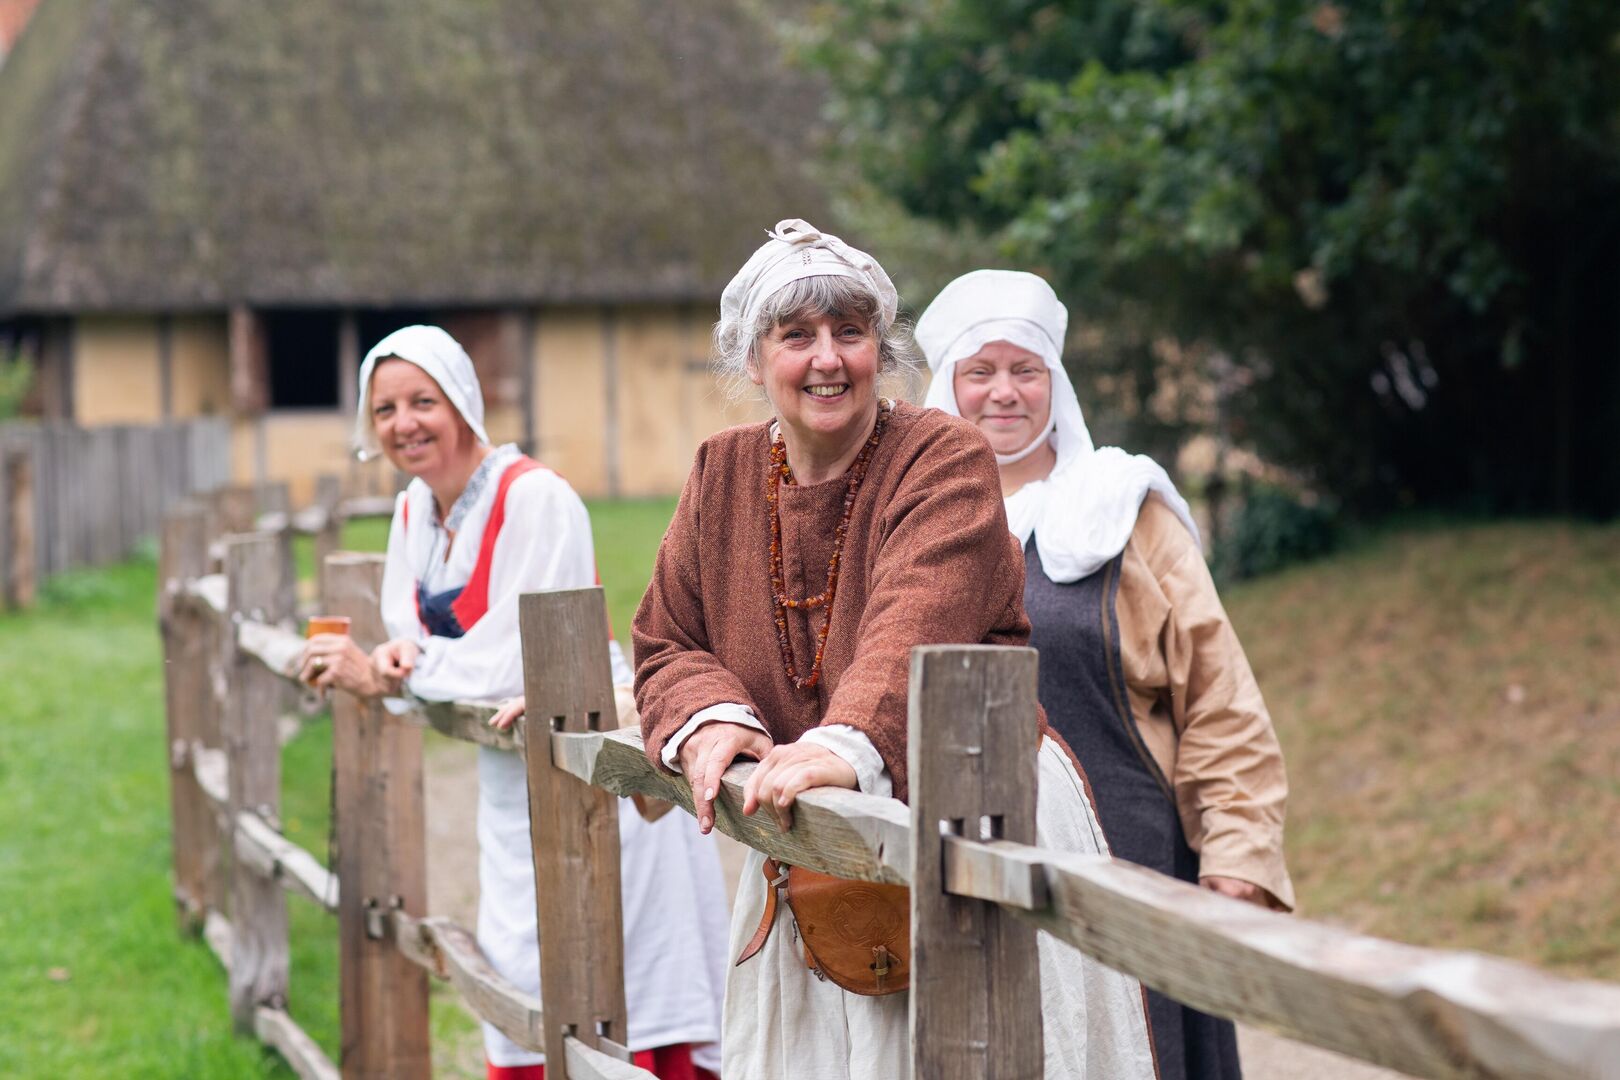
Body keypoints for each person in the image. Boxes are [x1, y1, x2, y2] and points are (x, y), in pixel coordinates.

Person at [633, 220, 1157, 1079]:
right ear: (753, 359)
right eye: (796, 336)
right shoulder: (719, 472)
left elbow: (920, 618)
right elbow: (666, 636)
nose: (828, 358)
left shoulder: (942, 455)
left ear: (882, 346)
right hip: (811, 836)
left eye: (852, 331)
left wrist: (840, 747)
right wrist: (711, 717)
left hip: (969, 809)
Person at [299, 325, 729, 1080]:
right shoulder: (412, 514)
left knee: (622, 974)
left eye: (422, 401)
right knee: (526, 966)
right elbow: (412, 635)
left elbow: (514, 653)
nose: (405, 424)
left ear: (462, 402)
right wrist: (399, 656)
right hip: (510, 768)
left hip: (593, 751)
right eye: (386, 409)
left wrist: (401, 668)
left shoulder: (537, 498)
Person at [917, 270, 1296, 1079]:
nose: (1004, 392)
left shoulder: (1126, 509)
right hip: (955, 878)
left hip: (1131, 871)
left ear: (1058, 381)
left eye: (1027, 370)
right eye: (979, 372)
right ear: (946, 386)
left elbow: (1221, 707)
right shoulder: (905, 524)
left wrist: (1235, 860)